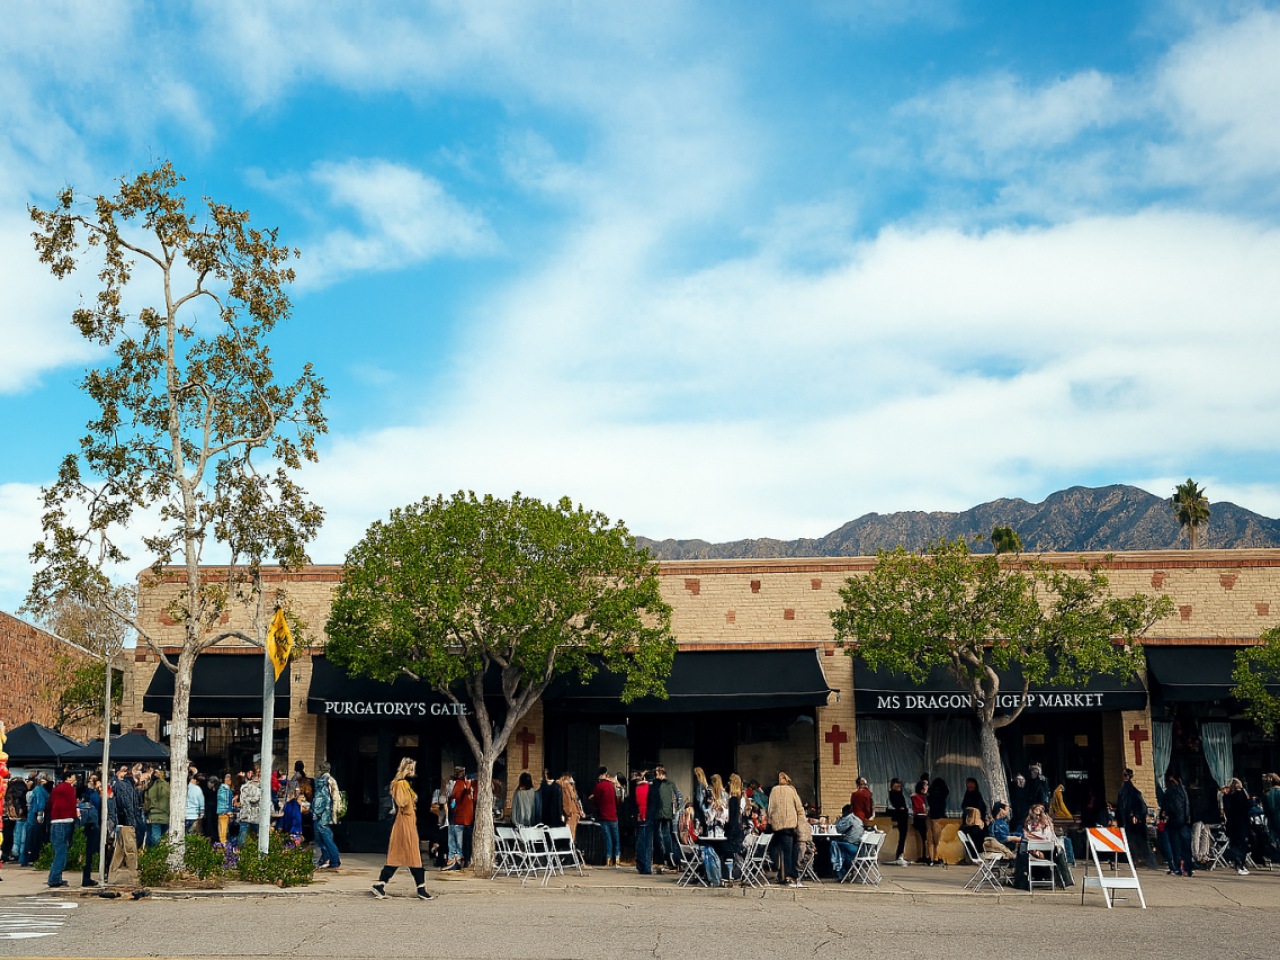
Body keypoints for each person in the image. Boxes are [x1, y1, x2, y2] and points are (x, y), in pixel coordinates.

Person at [371, 758, 432, 901]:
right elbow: (402, 802)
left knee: (401, 855)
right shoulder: (401, 783)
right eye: (412, 769)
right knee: (410, 854)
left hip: (406, 821)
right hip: (405, 821)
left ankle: (381, 884)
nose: (413, 772)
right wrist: (410, 798)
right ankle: (421, 888)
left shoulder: (402, 784)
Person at [767, 771, 806, 887]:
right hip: (789, 826)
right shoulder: (791, 790)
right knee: (789, 853)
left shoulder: (774, 790)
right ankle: (789, 876)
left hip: (777, 827)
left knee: (780, 853)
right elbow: (799, 808)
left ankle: (781, 876)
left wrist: (771, 821)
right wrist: (801, 824)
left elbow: (770, 808)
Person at [1116, 768, 1157, 869]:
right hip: (1129, 822)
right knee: (1133, 842)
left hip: (1135, 823)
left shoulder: (1132, 792)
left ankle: (1145, 861)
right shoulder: (1124, 792)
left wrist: (1136, 816)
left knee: (1140, 842)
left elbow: (1142, 807)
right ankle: (1136, 860)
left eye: (1126, 775)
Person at [109, 768, 141, 883]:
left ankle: (112, 875)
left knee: (120, 850)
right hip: (127, 823)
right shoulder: (127, 787)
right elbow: (127, 805)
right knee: (130, 850)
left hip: (123, 822)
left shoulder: (123, 786)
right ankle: (134, 876)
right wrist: (132, 821)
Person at [47, 769, 78, 888]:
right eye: (73, 777)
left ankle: (56, 877)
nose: (75, 779)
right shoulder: (70, 789)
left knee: (58, 850)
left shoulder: (56, 789)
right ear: (69, 778)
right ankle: (54, 878)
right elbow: (72, 805)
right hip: (66, 820)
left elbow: (50, 803)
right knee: (62, 851)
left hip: (55, 821)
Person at [1163, 772, 1194, 877]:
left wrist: (1166, 815)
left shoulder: (1170, 791)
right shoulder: (1185, 790)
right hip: (1185, 822)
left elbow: (1168, 806)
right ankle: (1187, 869)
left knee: (1176, 847)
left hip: (1174, 822)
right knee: (1186, 847)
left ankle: (1177, 868)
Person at [312, 761, 341, 869]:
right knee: (324, 837)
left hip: (322, 814)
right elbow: (335, 798)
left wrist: (316, 811)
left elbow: (322, 799)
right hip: (326, 813)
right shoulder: (330, 780)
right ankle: (328, 859)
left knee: (324, 838)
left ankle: (332, 860)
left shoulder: (322, 781)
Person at [445, 767, 475, 870]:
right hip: (468, 817)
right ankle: (463, 860)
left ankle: (455, 861)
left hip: (459, 816)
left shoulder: (459, 784)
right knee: (464, 841)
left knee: (456, 840)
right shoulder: (469, 785)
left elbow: (455, 796)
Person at [1222, 779, 1252, 875]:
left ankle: (1236, 861)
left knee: (1234, 843)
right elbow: (1247, 807)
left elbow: (1227, 810)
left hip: (1232, 823)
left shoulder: (1227, 797)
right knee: (1243, 843)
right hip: (1242, 823)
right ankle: (1241, 862)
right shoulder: (1242, 795)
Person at [591, 768, 620, 866]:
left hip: (603, 816)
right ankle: (617, 858)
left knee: (608, 839)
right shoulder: (612, 785)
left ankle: (608, 859)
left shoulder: (598, 786)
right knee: (616, 838)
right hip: (613, 815)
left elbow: (596, 801)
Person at [78, 773, 102, 887]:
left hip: (83, 825)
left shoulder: (82, 795)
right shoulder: (93, 795)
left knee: (85, 851)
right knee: (90, 852)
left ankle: (86, 876)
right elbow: (98, 806)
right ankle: (86, 878)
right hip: (92, 825)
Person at [830, 803, 865, 879]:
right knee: (843, 851)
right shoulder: (858, 819)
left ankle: (838, 870)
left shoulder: (848, 819)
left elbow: (839, 830)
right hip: (860, 847)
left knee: (834, 844)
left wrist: (838, 821)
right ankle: (845, 871)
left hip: (852, 846)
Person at [653, 766, 678, 870]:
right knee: (667, 836)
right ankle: (670, 859)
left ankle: (661, 860)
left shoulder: (657, 784)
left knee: (659, 837)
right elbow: (679, 796)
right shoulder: (671, 784)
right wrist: (676, 810)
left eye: (656, 774)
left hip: (659, 813)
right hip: (668, 814)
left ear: (660, 773)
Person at [23, 773, 49, 866]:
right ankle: (31, 858)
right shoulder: (40, 790)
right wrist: (40, 815)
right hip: (35, 816)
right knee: (34, 838)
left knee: (29, 837)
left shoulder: (37, 789)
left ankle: (26, 859)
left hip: (32, 815)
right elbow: (41, 802)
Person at [4, 773, 27, 864]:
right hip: (20, 817)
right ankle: (17, 854)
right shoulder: (22, 792)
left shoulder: (8, 792)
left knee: (9, 836)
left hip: (8, 816)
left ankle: (8, 854)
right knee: (19, 837)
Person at [634, 771, 653, 875]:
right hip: (648, 815)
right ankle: (647, 866)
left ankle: (640, 865)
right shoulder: (650, 788)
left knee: (640, 840)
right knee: (648, 843)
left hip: (640, 815)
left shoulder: (637, 788)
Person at [144, 767, 170, 848]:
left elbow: (146, 803)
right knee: (164, 837)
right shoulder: (167, 786)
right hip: (165, 815)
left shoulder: (149, 787)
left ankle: (154, 852)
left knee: (155, 837)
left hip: (153, 815)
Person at [236, 768, 262, 848]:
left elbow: (243, 800)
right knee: (257, 835)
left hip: (248, 814)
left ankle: (241, 849)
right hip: (253, 814)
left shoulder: (244, 787)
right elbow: (256, 800)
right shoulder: (259, 788)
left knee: (244, 834)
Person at [926, 777, 949, 866]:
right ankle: (936, 857)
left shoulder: (931, 794)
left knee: (930, 840)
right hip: (939, 817)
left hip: (931, 817)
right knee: (937, 841)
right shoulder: (943, 794)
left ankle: (930, 857)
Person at [886, 777, 909, 865]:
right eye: (897, 785)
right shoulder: (893, 794)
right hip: (900, 816)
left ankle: (900, 853)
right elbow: (895, 804)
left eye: (899, 785)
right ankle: (899, 854)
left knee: (903, 836)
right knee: (902, 836)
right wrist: (901, 808)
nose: (898, 787)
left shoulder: (900, 793)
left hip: (904, 816)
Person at [558, 772, 582, 842]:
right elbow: (567, 802)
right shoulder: (566, 787)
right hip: (570, 815)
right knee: (570, 837)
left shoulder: (569, 787)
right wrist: (569, 813)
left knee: (571, 836)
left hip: (572, 814)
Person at [910, 779, 928, 863]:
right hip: (919, 818)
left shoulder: (925, 797)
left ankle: (924, 855)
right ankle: (922, 855)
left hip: (923, 818)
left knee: (924, 838)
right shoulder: (916, 797)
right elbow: (920, 808)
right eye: (925, 786)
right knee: (922, 838)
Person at [214, 775, 234, 844]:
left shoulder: (221, 788)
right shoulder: (226, 789)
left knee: (221, 829)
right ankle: (223, 844)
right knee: (224, 830)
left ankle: (222, 843)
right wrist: (228, 811)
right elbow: (226, 800)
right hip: (225, 812)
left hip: (220, 811)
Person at [692, 767, 710, 832]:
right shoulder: (705, 784)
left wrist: (703, 809)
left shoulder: (699, 784)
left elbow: (699, 798)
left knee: (698, 823)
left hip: (699, 807)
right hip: (704, 806)